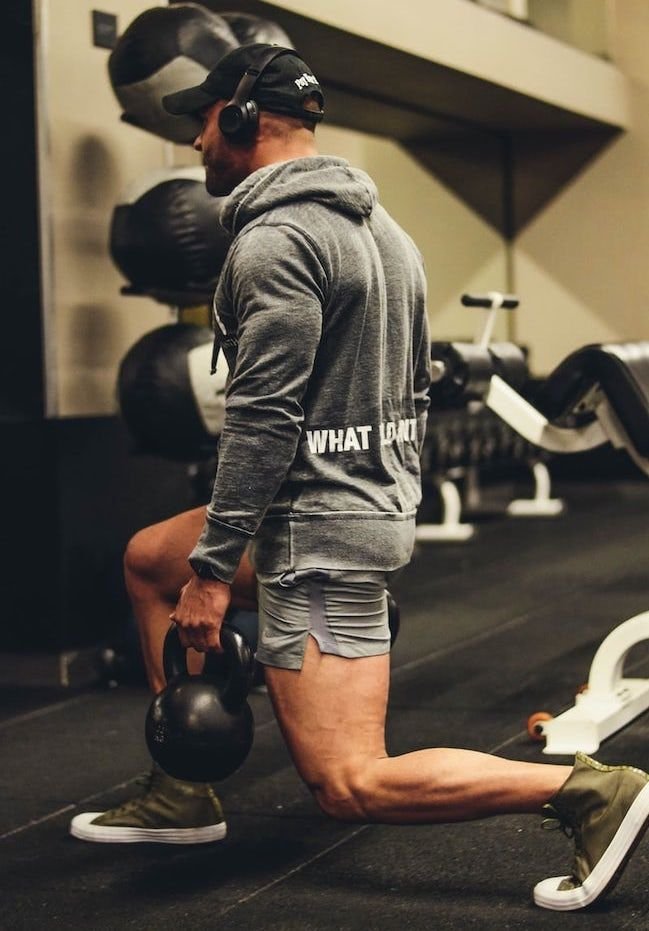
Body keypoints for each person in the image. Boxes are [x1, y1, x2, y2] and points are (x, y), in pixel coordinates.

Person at [71, 44, 649, 911]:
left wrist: (214, 570)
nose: (194, 142)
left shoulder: (275, 243)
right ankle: (184, 787)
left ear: (240, 118)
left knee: (350, 779)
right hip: (342, 502)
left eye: (202, 119)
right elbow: (408, 388)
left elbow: (263, 421)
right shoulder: (387, 234)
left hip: (313, 527)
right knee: (150, 555)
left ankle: (589, 792)